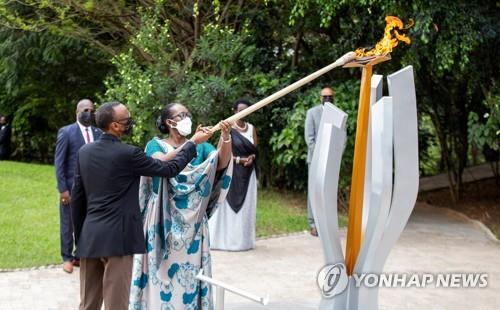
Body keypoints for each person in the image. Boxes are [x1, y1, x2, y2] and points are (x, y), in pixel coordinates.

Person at [71, 102, 212, 310]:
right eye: (127, 120)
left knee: (88, 305)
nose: (131, 123)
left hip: (90, 237)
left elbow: (77, 199)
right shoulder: (128, 154)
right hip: (118, 240)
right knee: (116, 305)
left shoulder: (84, 152)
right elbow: (169, 169)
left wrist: (79, 238)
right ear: (115, 126)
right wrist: (192, 144)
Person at [129, 103, 233, 310]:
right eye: (182, 114)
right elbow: (160, 164)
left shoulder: (202, 147)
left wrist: (225, 136)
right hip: (160, 218)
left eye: (188, 113)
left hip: (193, 224)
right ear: (169, 122)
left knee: (190, 276)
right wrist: (192, 142)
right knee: (159, 275)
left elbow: (220, 162)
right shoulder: (155, 145)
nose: (187, 117)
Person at [54, 99, 102, 273]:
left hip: (93, 188)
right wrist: (63, 189)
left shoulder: (98, 133)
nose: (89, 113)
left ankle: (79, 255)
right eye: (85, 110)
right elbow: (59, 163)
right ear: (77, 112)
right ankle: (66, 257)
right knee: (68, 222)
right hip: (71, 188)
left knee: (87, 222)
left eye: (91, 110)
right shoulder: (66, 132)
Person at [209, 99, 258, 251]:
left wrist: (251, 158)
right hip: (232, 171)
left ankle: (243, 242)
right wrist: (238, 159)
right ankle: (226, 241)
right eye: (240, 110)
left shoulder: (251, 129)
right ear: (234, 111)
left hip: (248, 173)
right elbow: (220, 150)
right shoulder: (228, 127)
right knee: (226, 206)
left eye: (246, 110)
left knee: (246, 207)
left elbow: (255, 150)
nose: (243, 113)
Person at [305, 87, 335, 237]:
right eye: (325, 96)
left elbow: (342, 139)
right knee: (314, 191)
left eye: (330, 96)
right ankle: (313, 224)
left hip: (332, 161)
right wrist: (320, 155)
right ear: (320, 98)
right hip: (315, 160)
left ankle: (327, 225)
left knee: (328, 192)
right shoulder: (312, 113)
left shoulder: (338, 114)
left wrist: (334, 156)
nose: (328, 99)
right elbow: (309, 138)